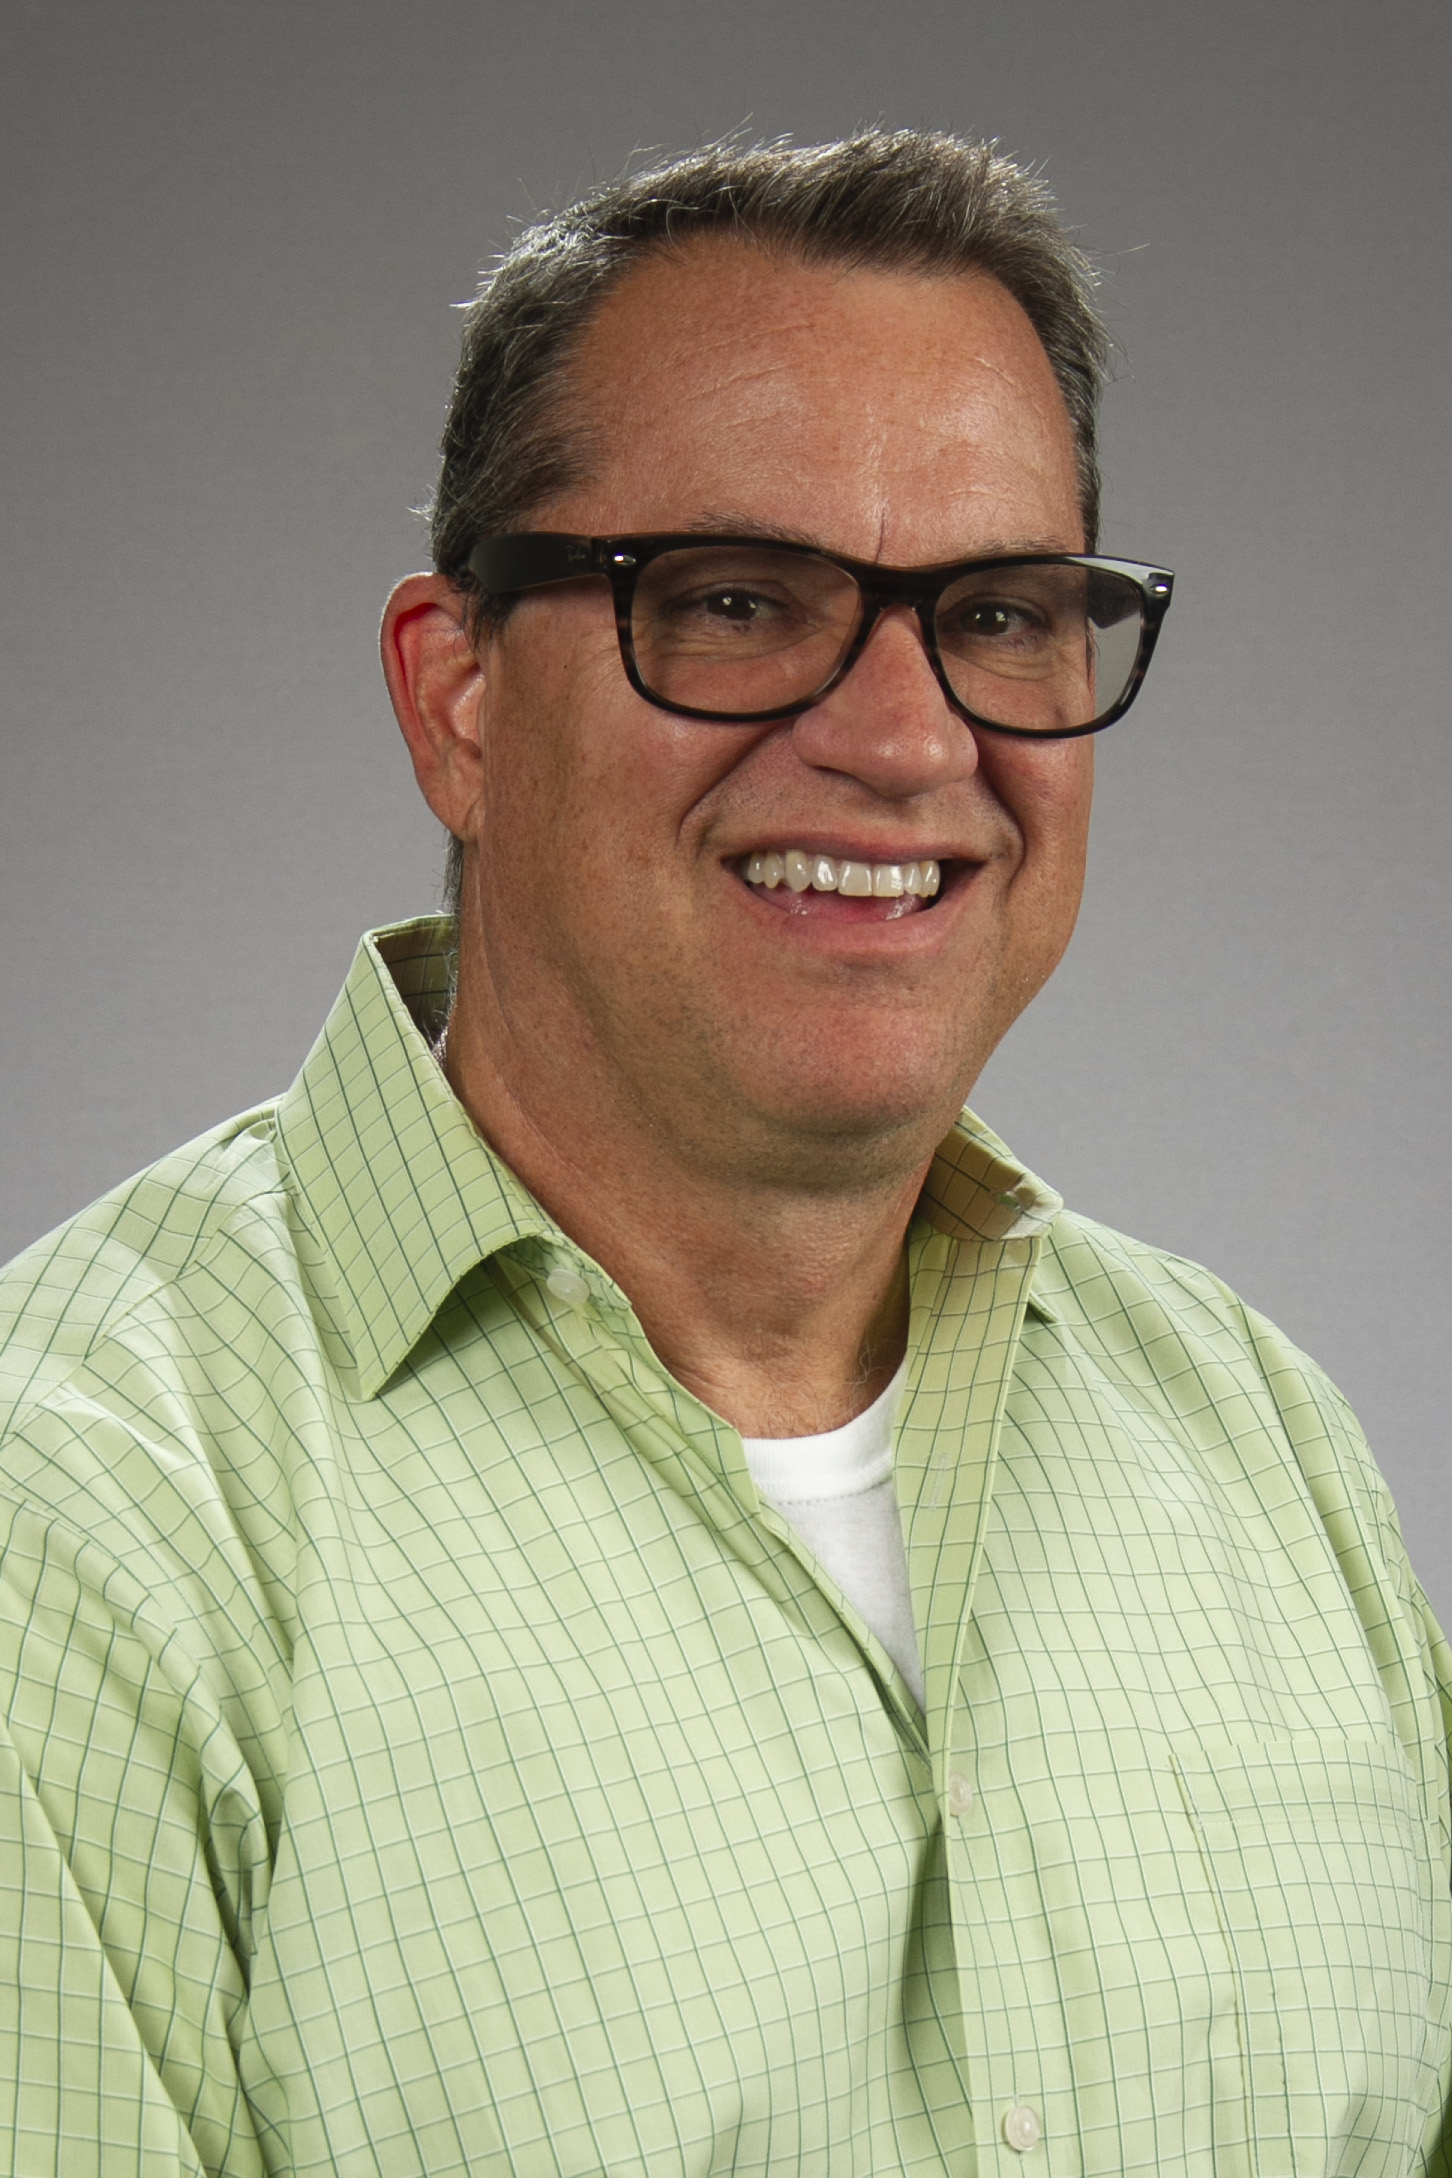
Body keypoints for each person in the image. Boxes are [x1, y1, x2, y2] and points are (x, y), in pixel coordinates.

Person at [0, 130, 1447, 2178]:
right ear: (461, 699)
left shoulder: (1257, 1447)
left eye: (1006, 613)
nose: (908, 738)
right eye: (742, 600)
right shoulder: (72, 1531)